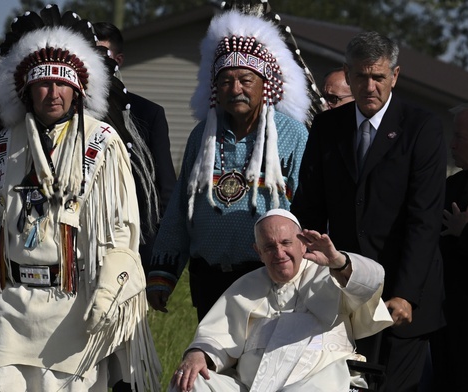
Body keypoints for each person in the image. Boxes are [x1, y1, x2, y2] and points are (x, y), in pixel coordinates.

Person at [0, 5, 160, 391]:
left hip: (72, 306)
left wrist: (106, 294)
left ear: (77, 89)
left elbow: (121, 229)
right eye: (43, 84)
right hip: (10, 305)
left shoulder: (101, 144)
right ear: (27, 90)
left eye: (61, 84)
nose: (53, 93)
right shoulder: (3, 148)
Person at [291, 31, 446, 391]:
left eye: (378, 76)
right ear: (347, 74)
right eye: (360, 76)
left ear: (395, 75)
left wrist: (406, 293)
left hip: (403, 297)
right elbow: (309, 206)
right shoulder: (329, 127)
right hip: (345, 292)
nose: (370, 86)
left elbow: (424, 219)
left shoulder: (422, 129)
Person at [145, 1, 312, 322]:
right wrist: (163, 272)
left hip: (269, 275)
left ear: (266, 85)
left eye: (246, 80)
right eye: (225, 81)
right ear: (215, 89)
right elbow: (180, 207)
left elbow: (308, 208)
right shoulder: (203, 136)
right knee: (212, 364)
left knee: (263, 368)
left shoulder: (290, 134)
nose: (235, 88)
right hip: (209, 278)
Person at [168, 209, 393, 392]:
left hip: (319, 383)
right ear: (258, 252)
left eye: (286, 243)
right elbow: (216, 336)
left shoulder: (330, 274)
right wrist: (198, 354)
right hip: (249, 387)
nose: (279, 253)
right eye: (269, 247)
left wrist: (338, 261)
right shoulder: (245, 287)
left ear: (303, 244)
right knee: (188, 382)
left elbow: (371, 281)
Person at [93, 21, 177, 272]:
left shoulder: (147, 114)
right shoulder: (69, 114)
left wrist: (158, 261)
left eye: (101, 54)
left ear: (117, 60)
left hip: (133, 241)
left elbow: (165, 189)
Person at [430, 102, 468, 390]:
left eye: (459, 137)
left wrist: (467, 231)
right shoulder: (452, 184)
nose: (452, 144)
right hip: (445, 320)